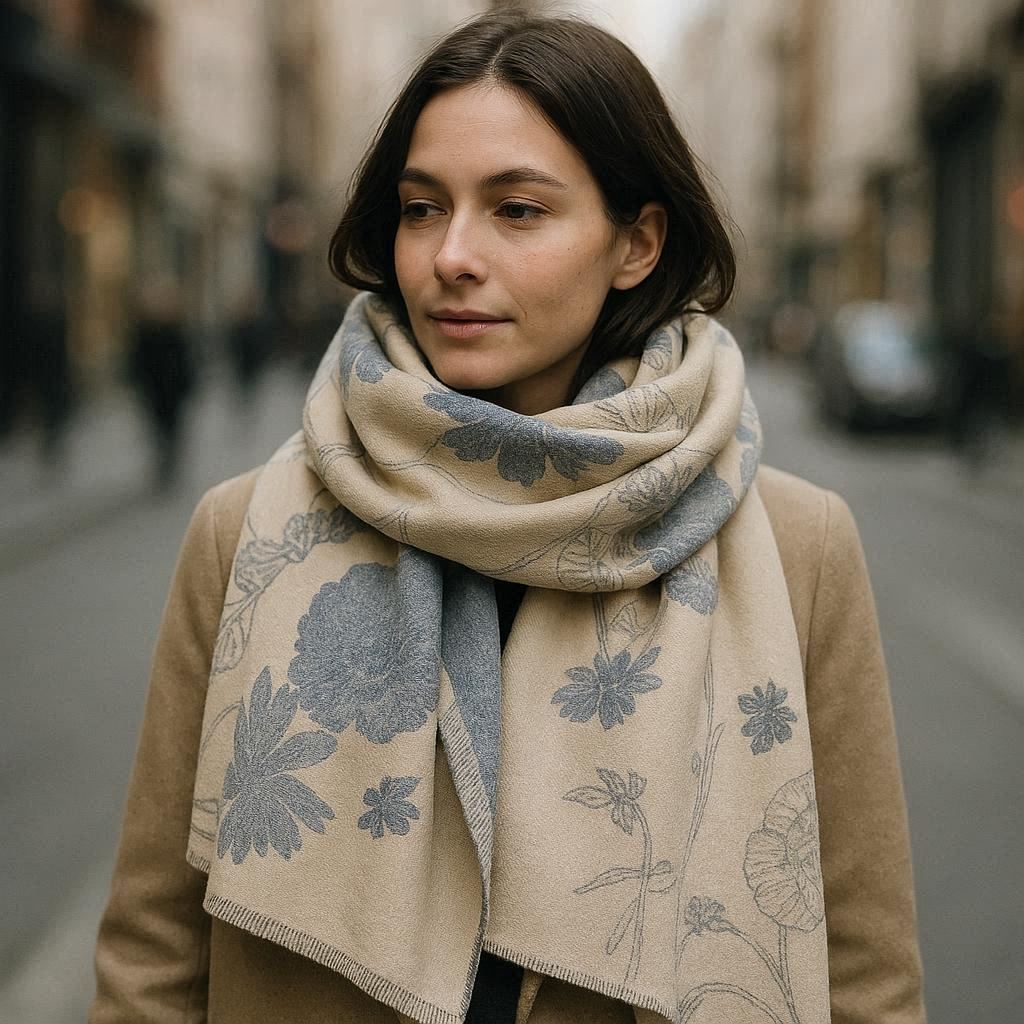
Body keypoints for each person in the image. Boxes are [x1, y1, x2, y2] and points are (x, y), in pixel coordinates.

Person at [91, 12, 927, 1024]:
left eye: (517, 210)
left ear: (636, 241)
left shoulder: (801, 551)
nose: (450, 255)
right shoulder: (246, 533)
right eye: (420, 206)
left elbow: (867, 980)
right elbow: (152, 957)